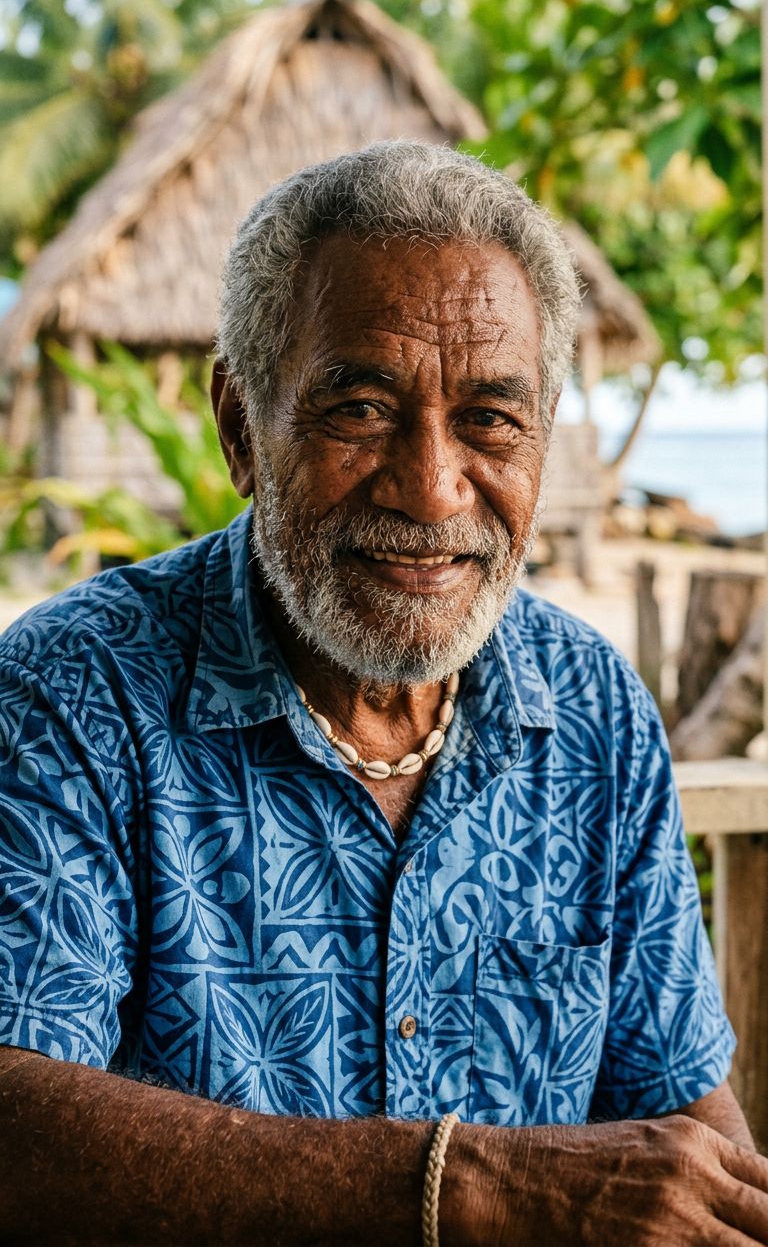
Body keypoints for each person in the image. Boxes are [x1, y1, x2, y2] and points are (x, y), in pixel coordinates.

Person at [0, 141, 767, 1247]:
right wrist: (473, 1185)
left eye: (492, 420)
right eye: (361, 407)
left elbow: (682, 1124)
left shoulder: (593, 708)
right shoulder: (74, 694)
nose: (431, 485)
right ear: (240, 427)